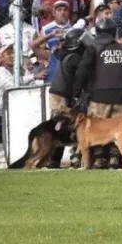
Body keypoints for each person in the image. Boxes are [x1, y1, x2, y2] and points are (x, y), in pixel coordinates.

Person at [73, 18, 122, 169]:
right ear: (113, 31)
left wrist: (77, 91)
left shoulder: (92, 48)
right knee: (117, 131)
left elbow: (82, 71)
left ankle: (99, 159)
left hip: (98, 98)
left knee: (97, 130)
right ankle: (115, 160)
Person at [47, 28, 88, 168]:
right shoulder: (75, 58)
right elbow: (79, 79)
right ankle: (57, 159)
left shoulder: (66, 54)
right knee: (64, 126)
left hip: (58, 94)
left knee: (62, 126)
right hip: (62, 95)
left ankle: (55, 159)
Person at [0, 44, 46, 139]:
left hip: (16, 112)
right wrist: (34, 76)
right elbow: (13, 84)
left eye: (14, 53)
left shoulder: (19, 71)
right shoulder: (0, 72)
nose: (12, 55)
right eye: (8, 53)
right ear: (1, 58)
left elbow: (30, 84)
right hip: (2, 115)